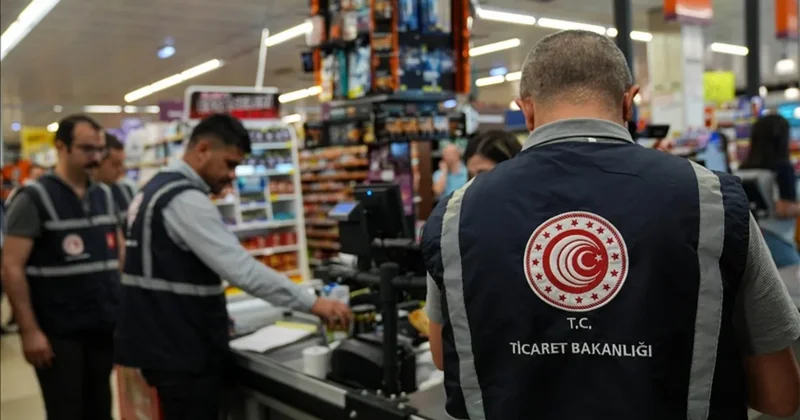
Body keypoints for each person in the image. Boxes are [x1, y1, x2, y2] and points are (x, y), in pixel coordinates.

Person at [421, 30, 800, 420]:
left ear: (527, 110)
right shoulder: (714, 202)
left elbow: (444, 356)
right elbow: (780, 396)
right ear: (629, 102)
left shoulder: (456, 213)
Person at [115, 113, 352, 420]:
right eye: (229, 164)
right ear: (202, 150)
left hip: (161, 339)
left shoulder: (153, 188)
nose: (232, 175)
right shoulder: (185, 199)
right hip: (180, 349)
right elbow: (242, 270)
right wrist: (314, 303)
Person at [1, 114, 122, 420]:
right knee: (66, 411)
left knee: (100, 409)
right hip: (58, 333)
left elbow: (118, 256)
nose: (96, 157)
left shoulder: (104, 195)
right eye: (87, 149)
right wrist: (29, 331)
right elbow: (11, 267)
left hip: (101, 326)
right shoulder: (33, 198)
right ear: (61, 148)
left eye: (100, 149)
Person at [738, 115, 800, 268]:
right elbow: (783, 209)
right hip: (777, 238)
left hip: (748, 238)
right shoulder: (782, 169)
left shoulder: (741, 170)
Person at [93, 132, 135, 224]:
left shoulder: (125, 191)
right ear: (97, 162)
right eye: (115, 164)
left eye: (122, 163)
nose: (121, 169)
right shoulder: (88, 198)